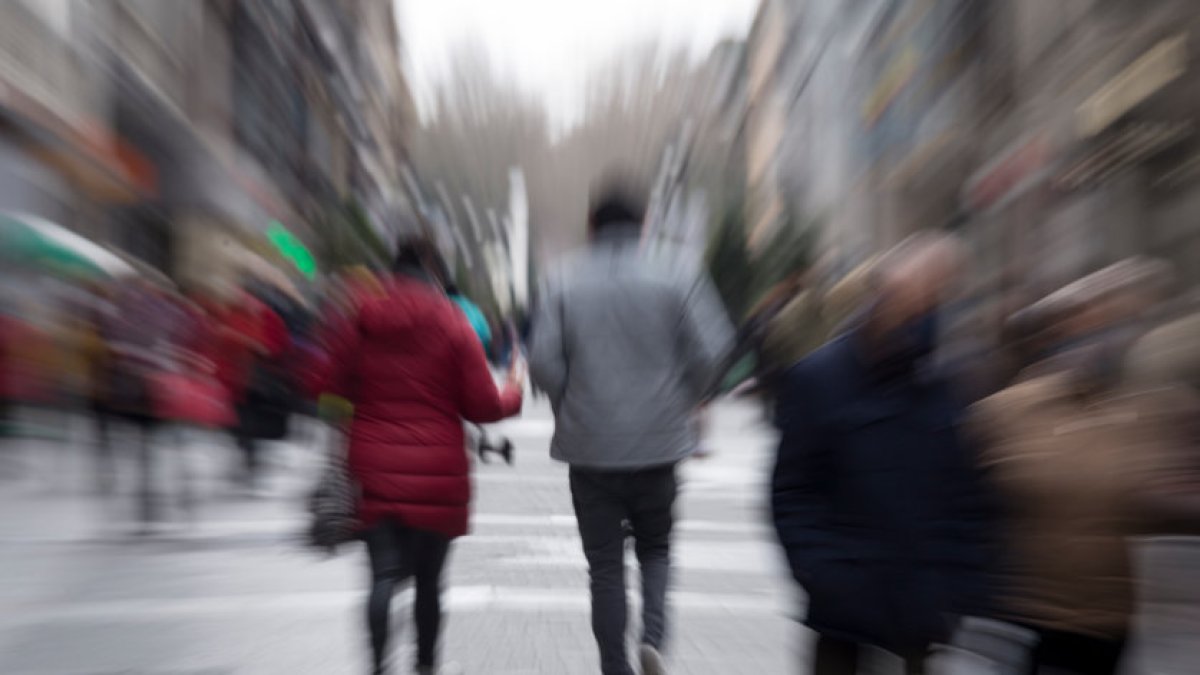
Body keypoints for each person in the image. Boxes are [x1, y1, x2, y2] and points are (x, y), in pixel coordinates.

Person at [529, 183, 734, 675]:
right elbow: (715, 347)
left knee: (604, 566)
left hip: (590, 445)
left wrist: (568, 402)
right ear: (643, 225)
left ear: (591, 226)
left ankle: (614, 665)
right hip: (659, 444)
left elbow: (541, 360)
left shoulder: (562, 278)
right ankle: (655, 638)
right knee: (656, 548)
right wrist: (684, 397)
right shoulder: (678, 273)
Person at [771, 233, 995, 674]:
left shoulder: (947, 382)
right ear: (879, 291)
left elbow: (966, 493)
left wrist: (958, 588)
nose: (917, 304)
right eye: (908, 290)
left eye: (935, 292)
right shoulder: (819, 378)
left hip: (919, 613)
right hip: (844, 615)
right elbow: (792, 492)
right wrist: (822, 575)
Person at [970, 258, 1196, 675]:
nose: (1104, 337)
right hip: (1026, 612)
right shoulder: (1012, 409)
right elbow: (962, 491)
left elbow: (1173, 498)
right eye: (1090, 323)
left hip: (1107, 619)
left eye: (1122, 321)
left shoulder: (1153, 410)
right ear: (1061, 333)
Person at [321, 236, 524, 675]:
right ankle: (425, 666)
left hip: (372, 464)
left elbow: (332, 386)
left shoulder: (361, 318)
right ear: (432, 267)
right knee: (430, 584)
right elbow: (483, 406)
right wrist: (514, 392)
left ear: (393, 271)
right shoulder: (452, 322)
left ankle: (378, 666)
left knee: (380, 577)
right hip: (437, 470)